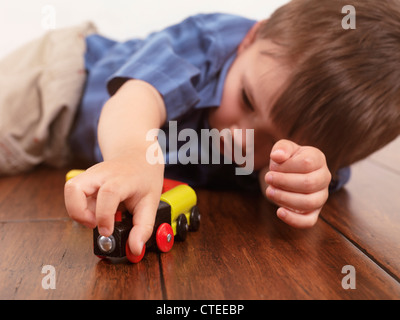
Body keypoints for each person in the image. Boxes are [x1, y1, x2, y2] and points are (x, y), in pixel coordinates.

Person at [1, 0, 399, 259]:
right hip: (62, 80)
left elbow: (285, 180)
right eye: (245, 99)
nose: (238, 136)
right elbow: (137, 97)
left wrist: (293, 184)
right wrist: (132, 157)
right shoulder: (208, 43)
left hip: (74, 150)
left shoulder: (323, 155)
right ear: (250, 39)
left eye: (278, 144)